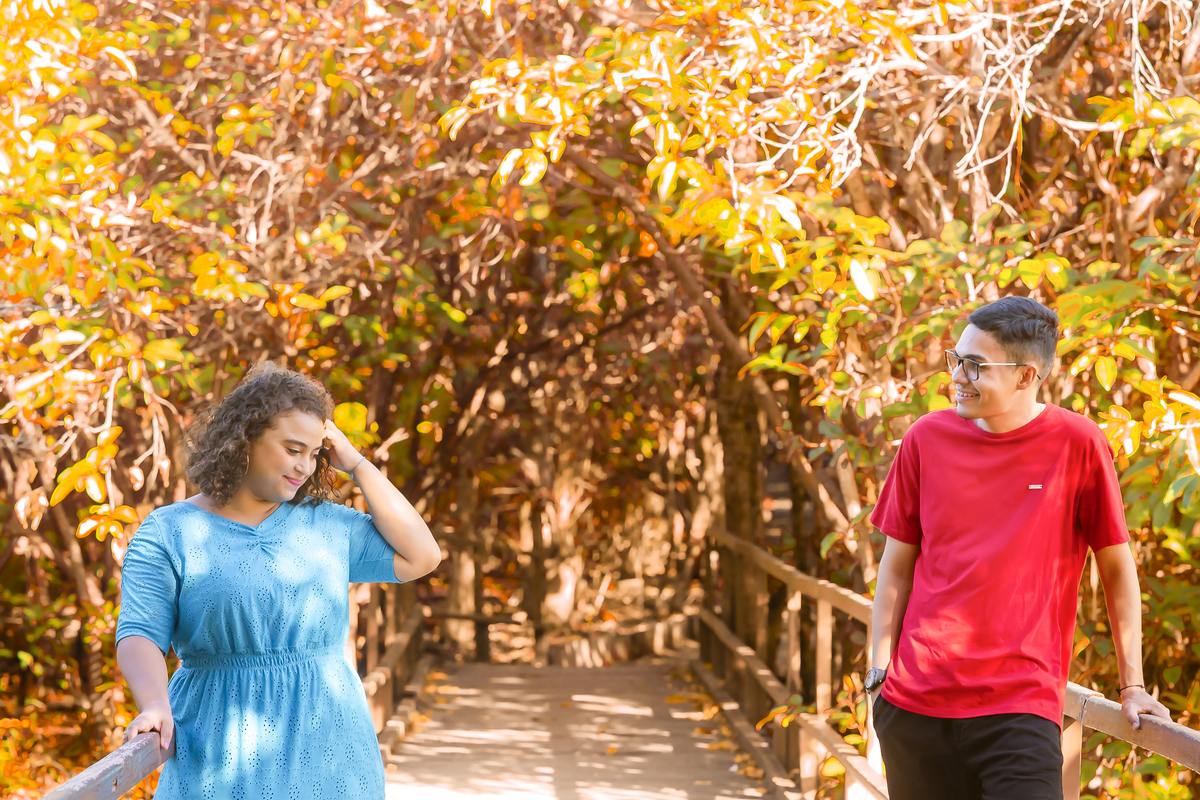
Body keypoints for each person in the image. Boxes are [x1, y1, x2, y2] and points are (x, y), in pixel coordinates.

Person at [865, 296, 1171, 800]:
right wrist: (879, 676)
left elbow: (1116, 569)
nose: (957, 376)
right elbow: (896, 568)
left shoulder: (1078, 444)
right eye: (956, 359)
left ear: (1027, 376)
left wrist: (1131, 685)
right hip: (914, 707)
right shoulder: (927, 438)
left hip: (1020, 709)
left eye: (976, 366)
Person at [116, 362, 441, 799]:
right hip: (218, 746)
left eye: (314, 453)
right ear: (245, 437)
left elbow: (423, 556)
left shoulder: (328, 525)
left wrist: (359, 464)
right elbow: (140, 632)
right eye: (292, 449)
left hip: (332, 747)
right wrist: (154, 703)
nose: (305, 466)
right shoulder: (169, 531)